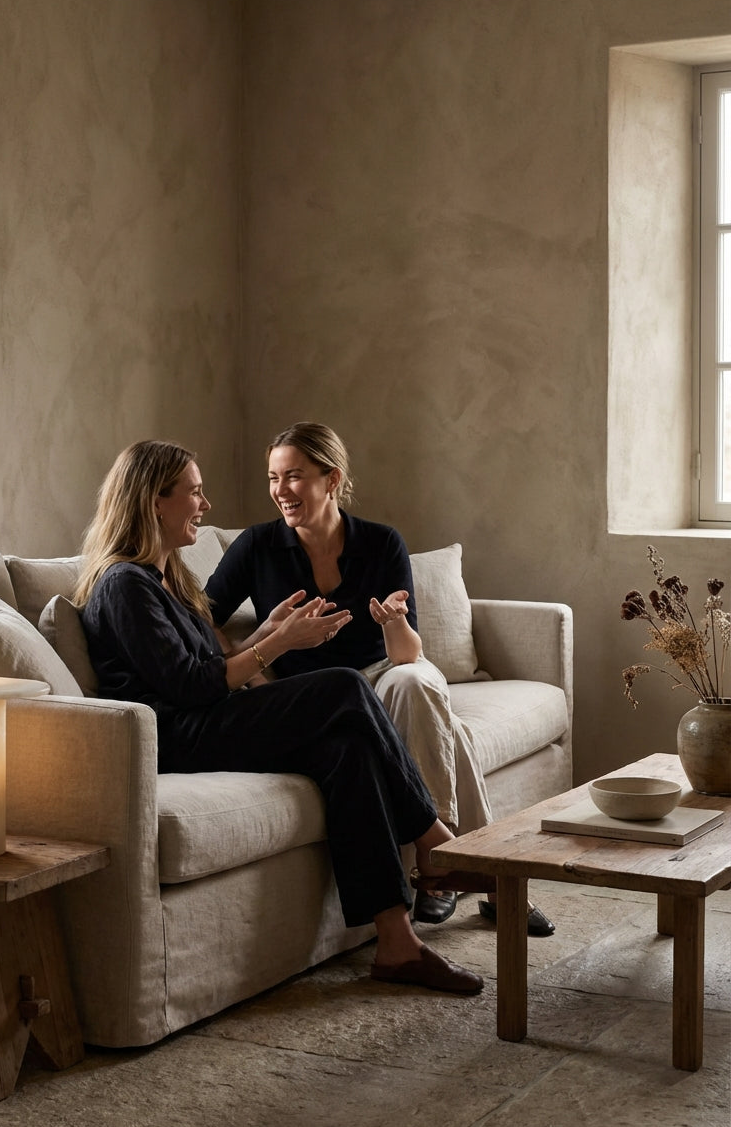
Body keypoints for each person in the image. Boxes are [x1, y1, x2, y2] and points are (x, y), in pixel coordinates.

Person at [75, 439, 494, 995]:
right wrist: (277, 646)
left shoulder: (164, 577)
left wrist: (266, 631)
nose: (205, 504)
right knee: (344, 686)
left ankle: (397, 944)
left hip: (206, 719)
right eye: (194, 492)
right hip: (175, 736)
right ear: (155, 501)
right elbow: (190, 686)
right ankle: (435, 841)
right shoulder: (124, 583)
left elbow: (203, 662)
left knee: (346, 749)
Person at [204, 422, 554, 937]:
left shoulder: (381, 542)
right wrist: (254, 669)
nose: (280, 490)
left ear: (331, 479)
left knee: (415, 684)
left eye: (294, 476)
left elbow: (408, 656)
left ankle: (441, 864)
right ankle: (479, 877)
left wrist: (394, 623)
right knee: (450, 731)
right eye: (274, 478)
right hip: (315, 692)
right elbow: (200, 616)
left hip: (383, 672)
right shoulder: (257, 545)